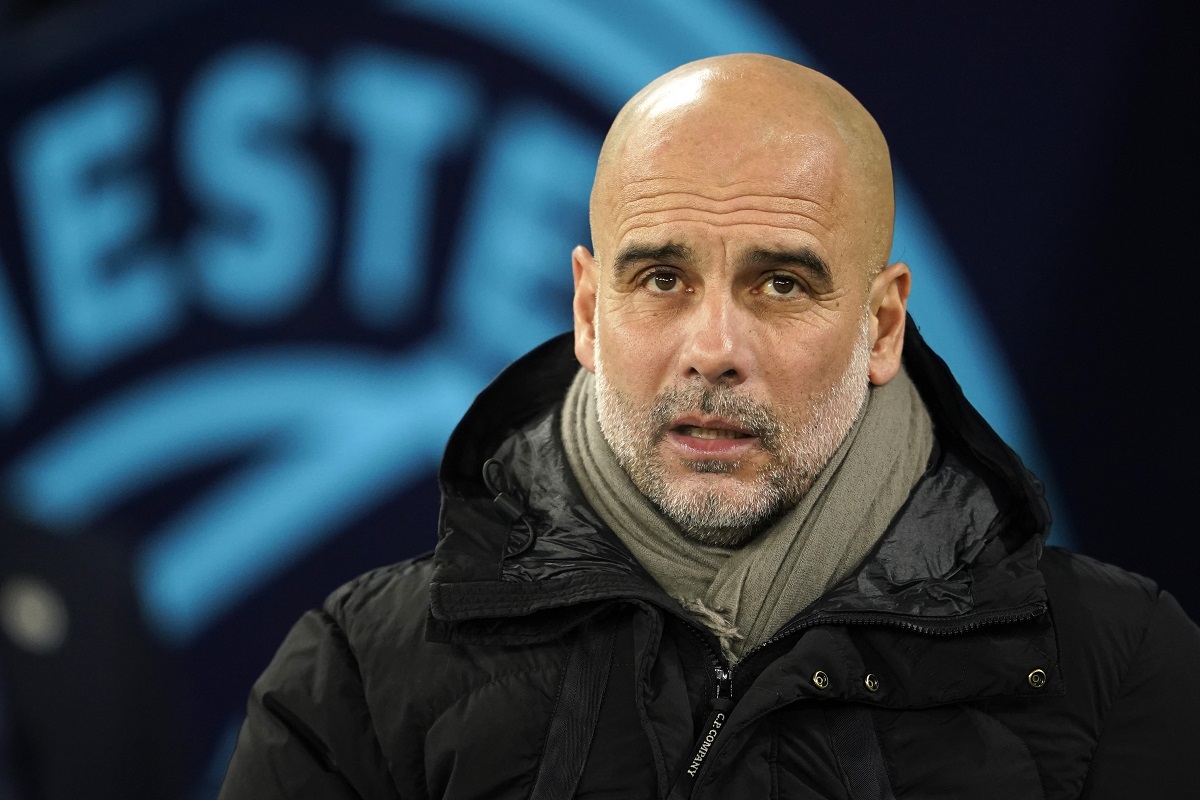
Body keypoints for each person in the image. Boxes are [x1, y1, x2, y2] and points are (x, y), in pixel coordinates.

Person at [219, 54, 1200, 799]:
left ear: (883, 325)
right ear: (591, 314)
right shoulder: (356, 674)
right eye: (661, 278)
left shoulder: (1121, 666)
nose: (714, 346)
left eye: (781, 281)